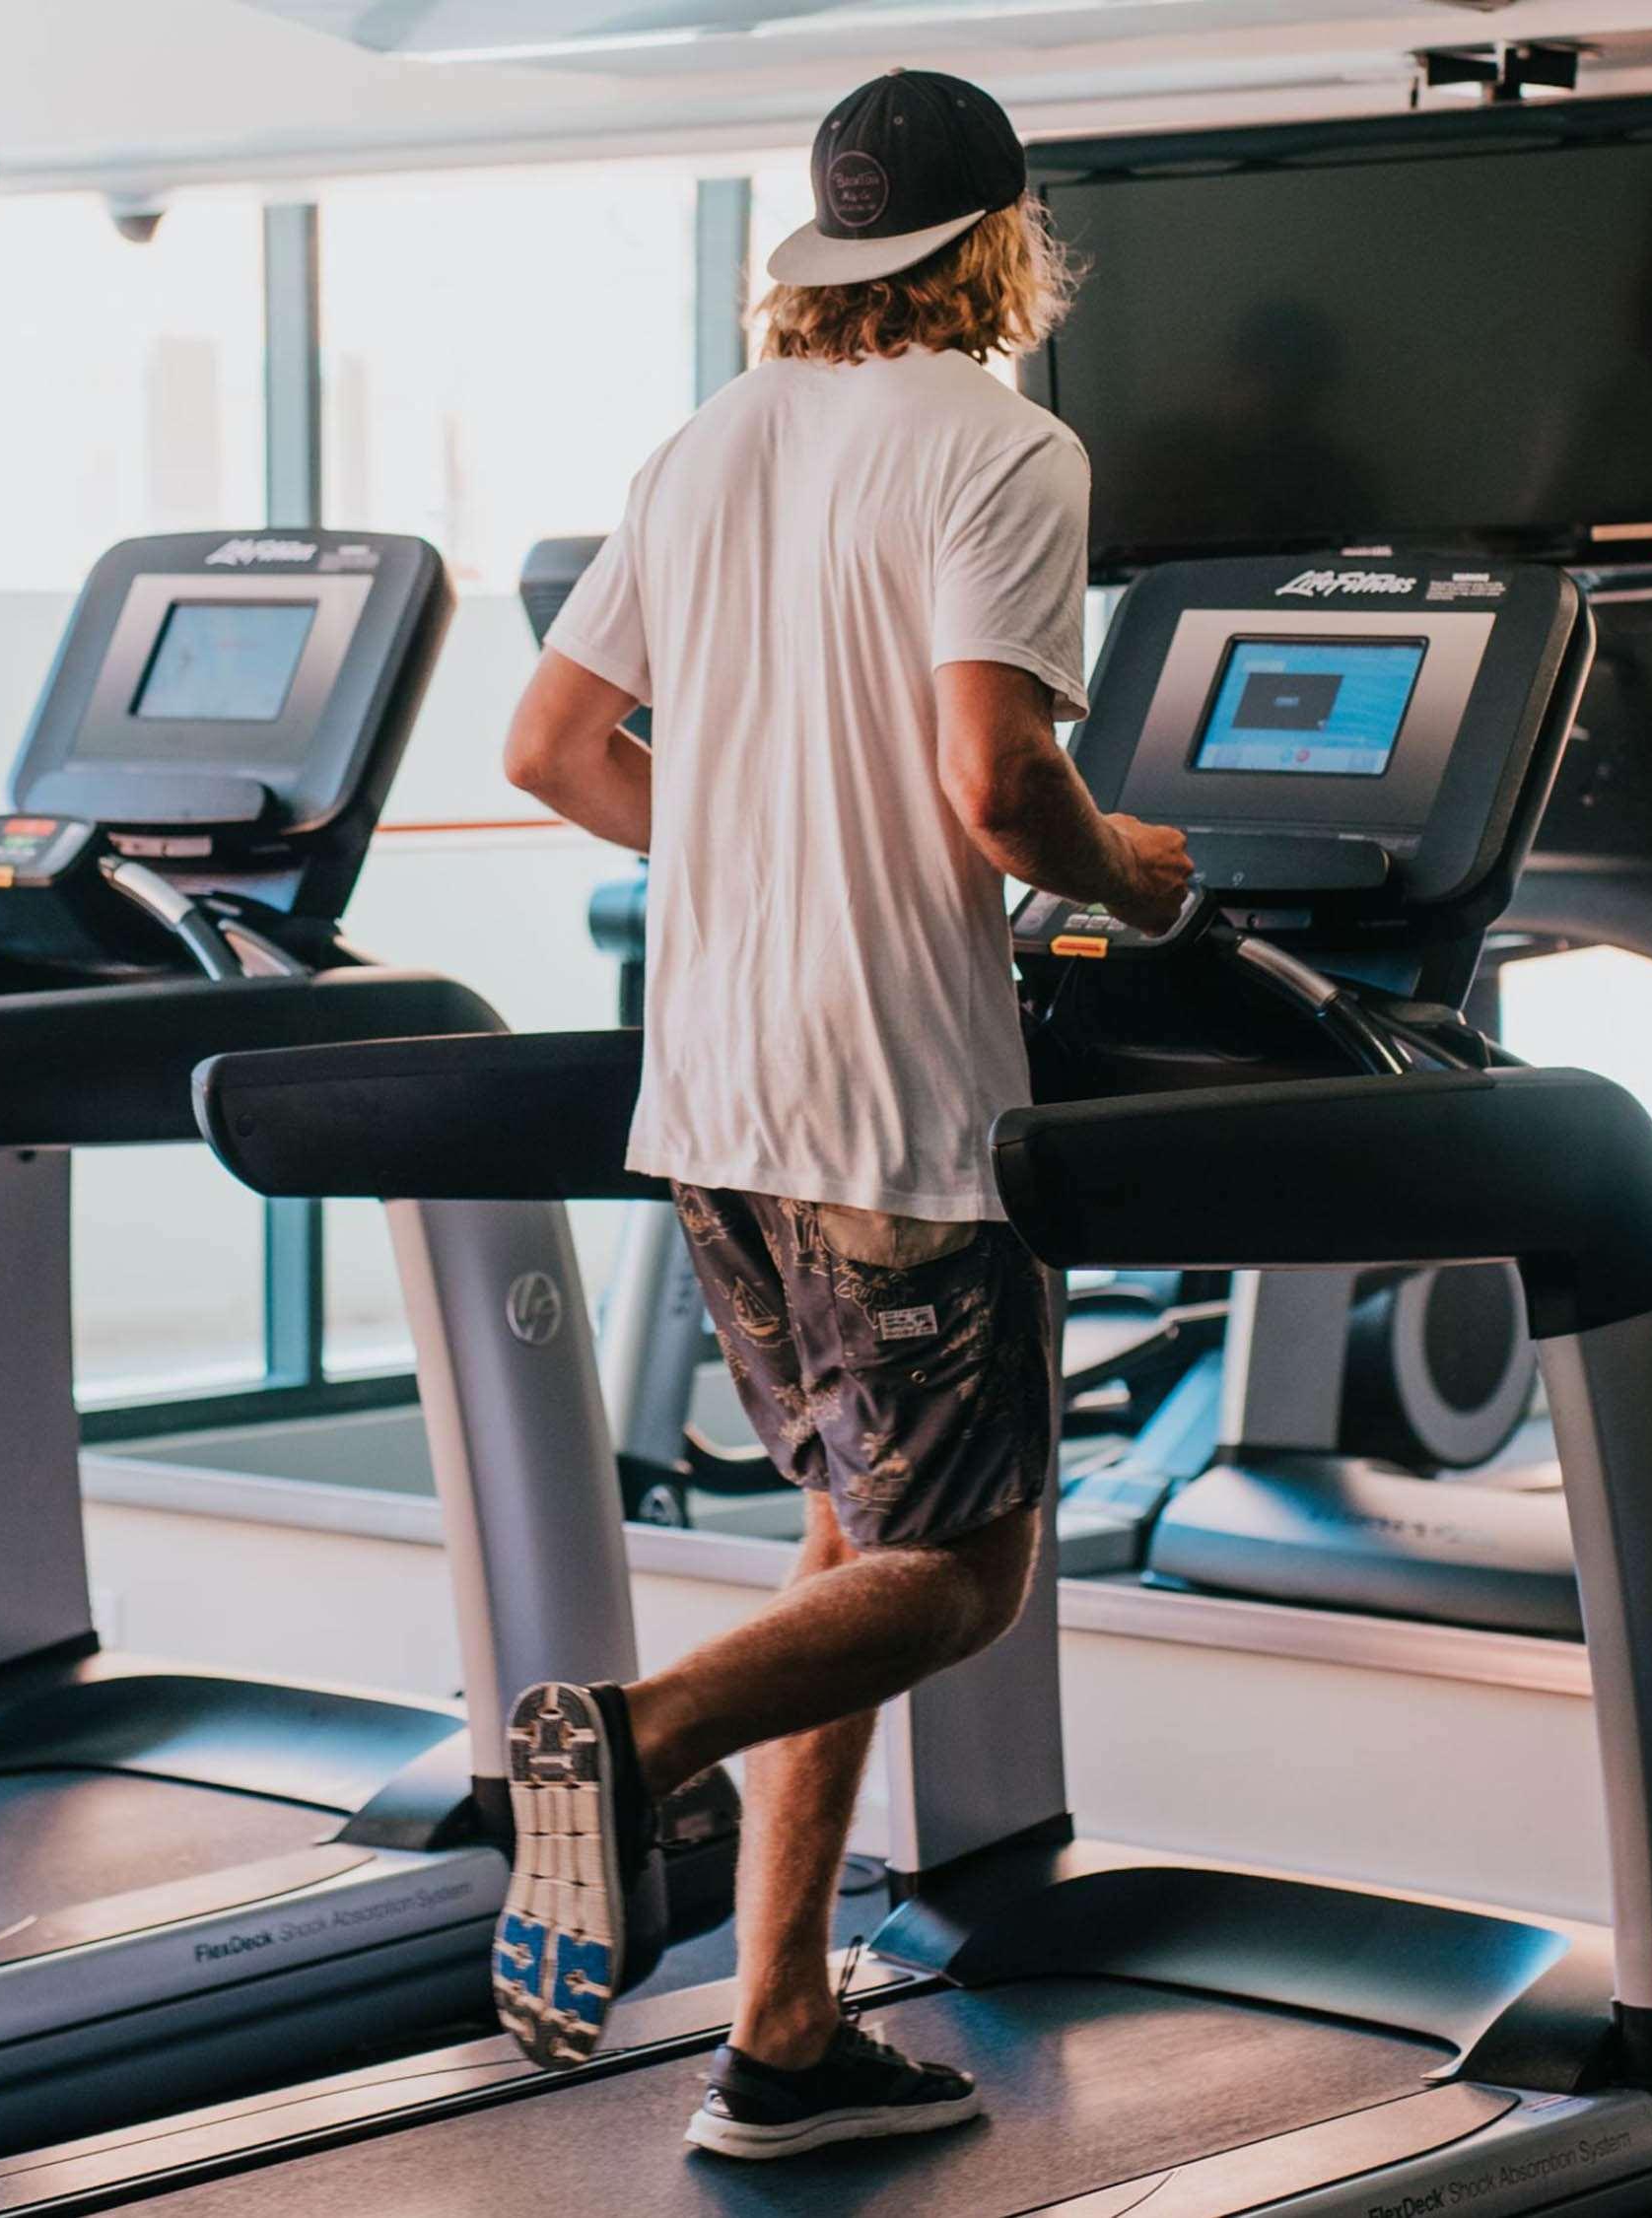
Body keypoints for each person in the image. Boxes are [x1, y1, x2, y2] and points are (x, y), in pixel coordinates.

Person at [489, 66, 1193, 2162]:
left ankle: (783, 2033)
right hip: (897, 1096)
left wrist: (754, 867)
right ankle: (634, 1739)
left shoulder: (708, 443)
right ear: (1006, 247)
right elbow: (1002, 788)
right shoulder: (1006, 447)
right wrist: (1137, 871)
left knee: (850, 1538)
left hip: (713, 1094)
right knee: (966, 1577)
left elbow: (551, 742)